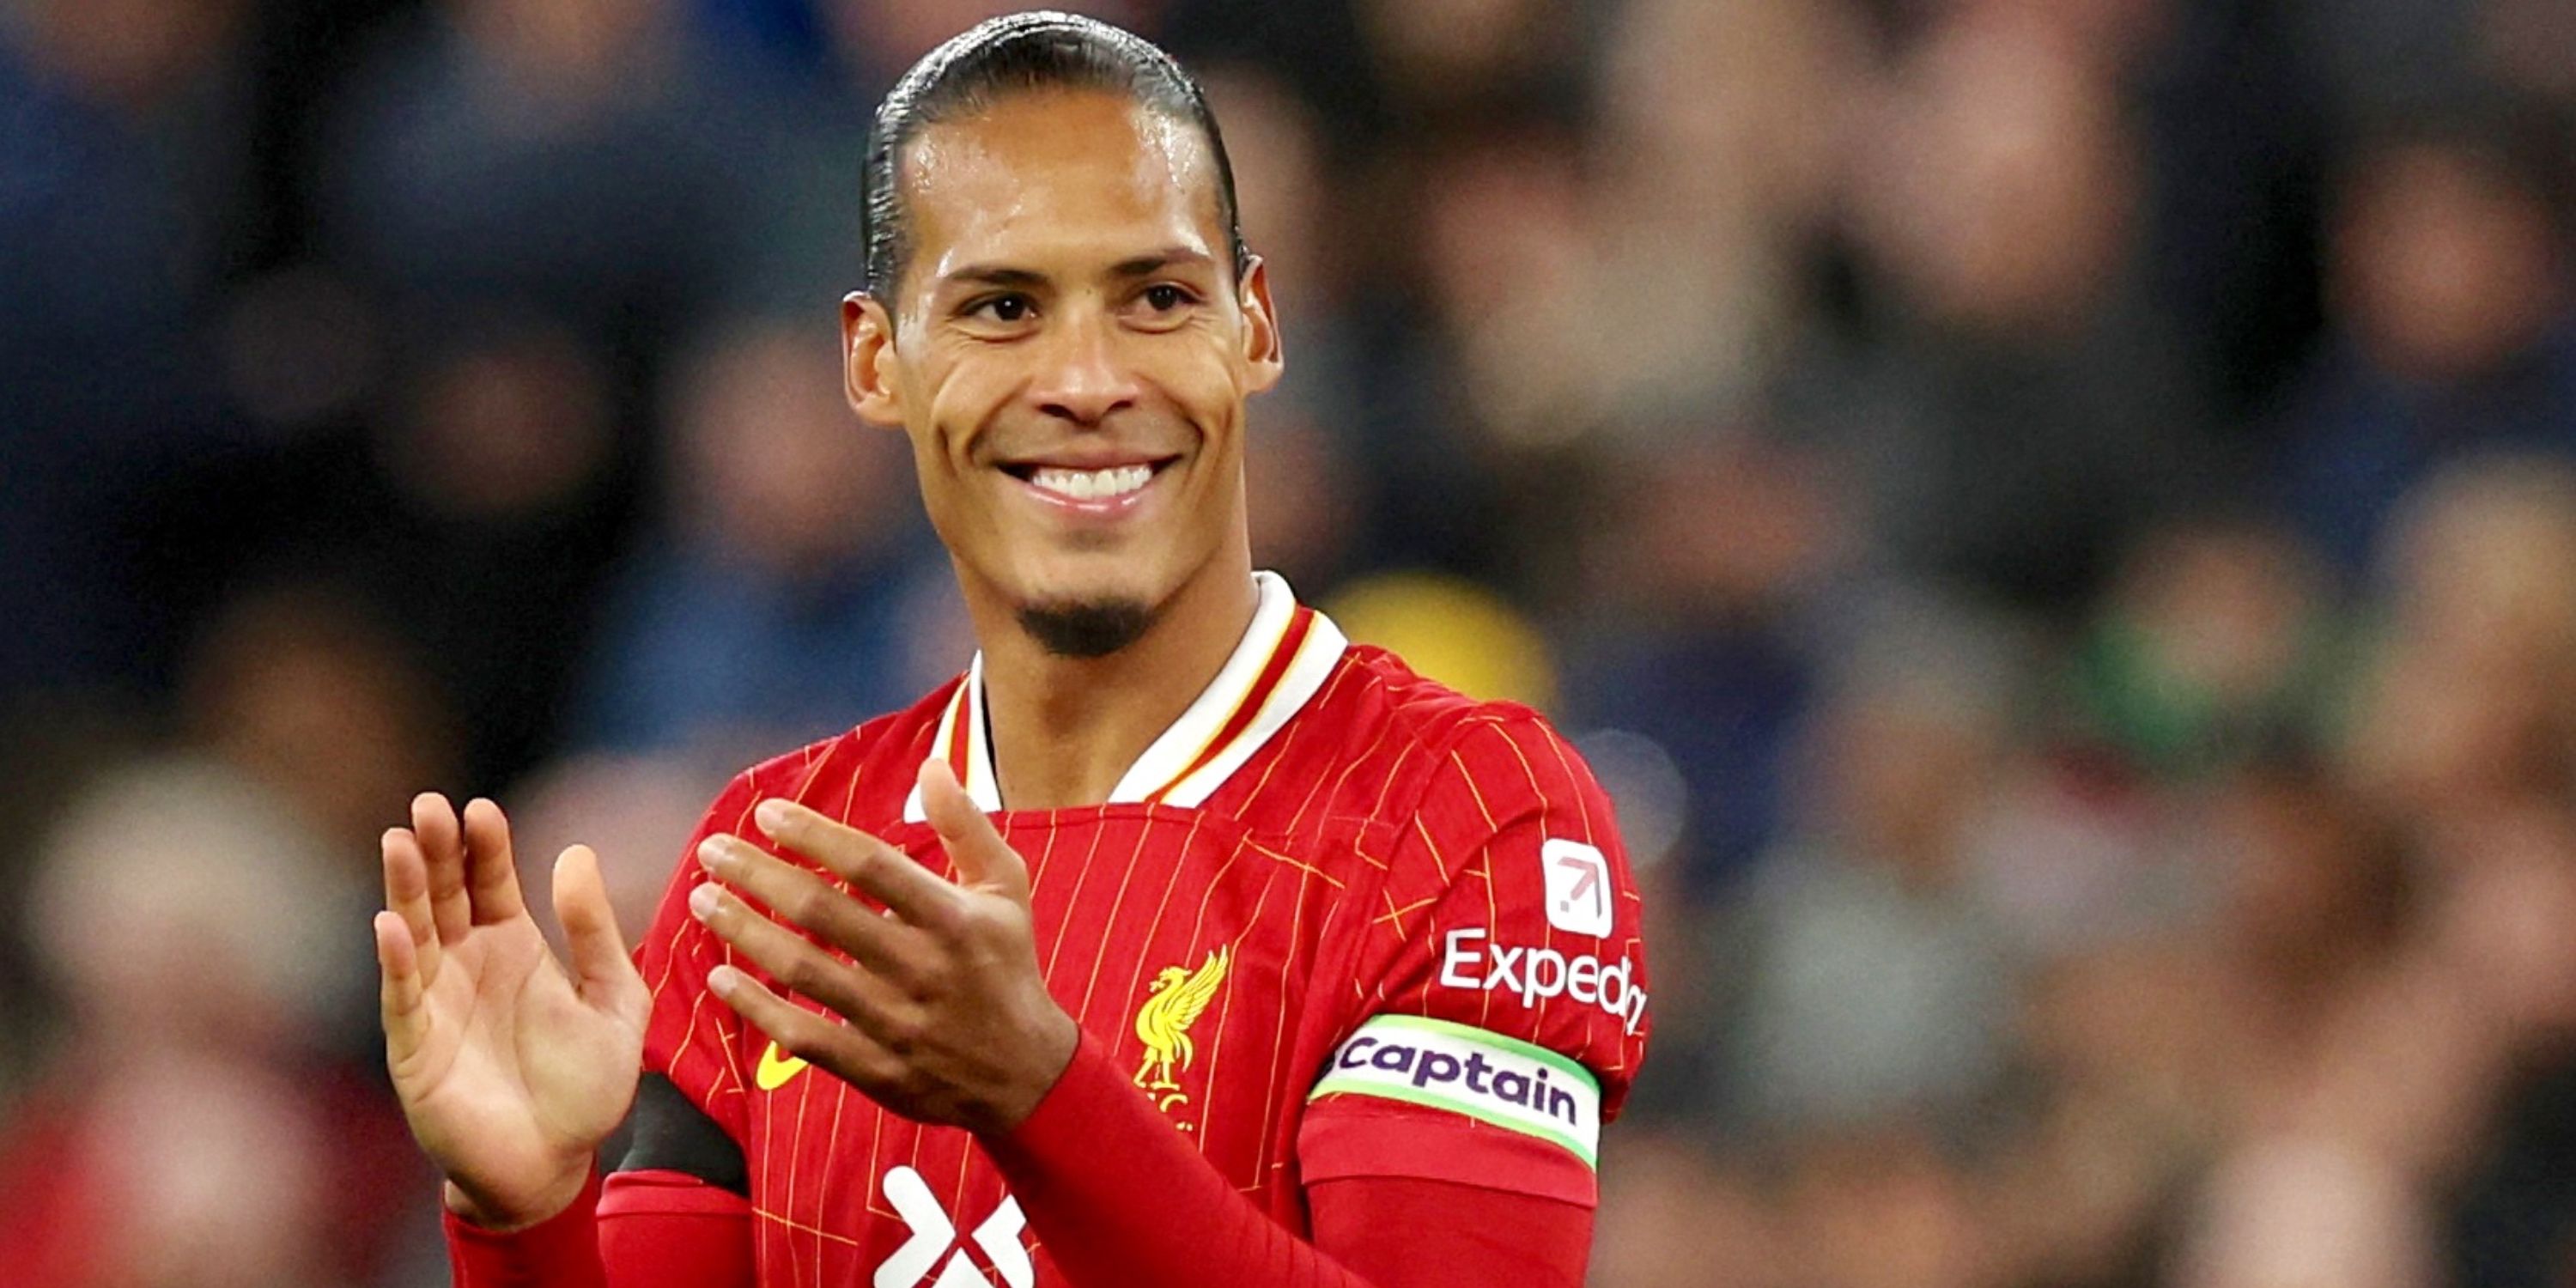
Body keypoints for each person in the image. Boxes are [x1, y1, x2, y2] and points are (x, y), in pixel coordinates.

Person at [368, 12, 1649, 1288]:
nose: (1086, 379)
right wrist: (525, 1223)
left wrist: (1040, 1097)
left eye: (1155, 296)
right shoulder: (780, 869)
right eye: (1000, 307)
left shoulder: (1469, 819)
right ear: (877, 362)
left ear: (1255, 329)